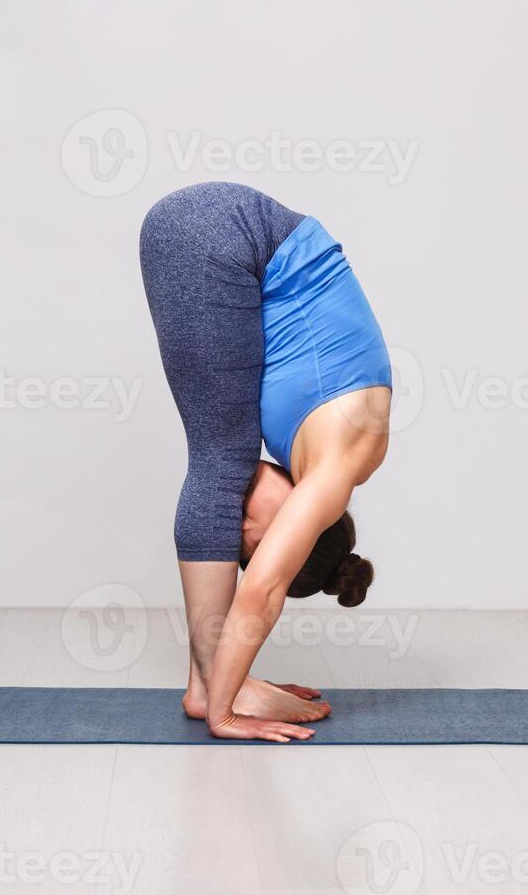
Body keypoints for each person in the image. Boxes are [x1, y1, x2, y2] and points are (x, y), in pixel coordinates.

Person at [140, 182, 392, 742]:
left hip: (215, 233)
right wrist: (227, 713)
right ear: (294, 529)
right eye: (250, 537)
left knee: (221, 456)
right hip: (221, 232)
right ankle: (215, 691)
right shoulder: (335, 470)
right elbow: (262, 593)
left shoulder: (309, 450)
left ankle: (207, 683)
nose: (239, 524)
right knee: (220, 461)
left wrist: (222, 680)